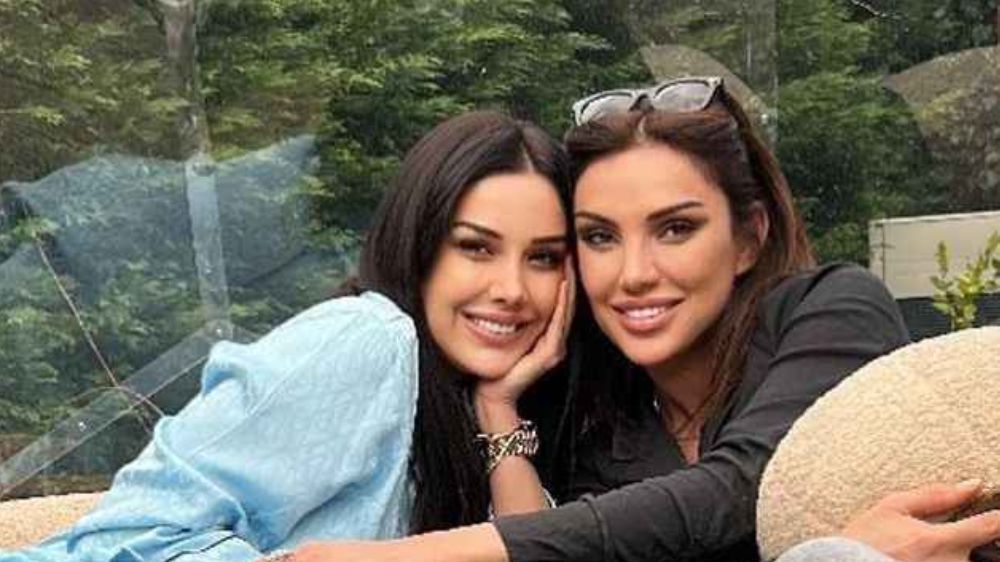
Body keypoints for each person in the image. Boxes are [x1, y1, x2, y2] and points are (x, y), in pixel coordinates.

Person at [287, 77, 911, 562]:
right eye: (599, 237)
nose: (633, 273)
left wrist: (413, 555)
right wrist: (499, 410)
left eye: (676, 229)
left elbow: (746, 487)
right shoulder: (599, 411)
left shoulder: (832, 312)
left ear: (749, 237)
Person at [0, 110, 575, 562]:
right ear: (419, 244)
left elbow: (528, 551)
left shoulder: (479, 399)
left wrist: (498, 412)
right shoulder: (367, 342)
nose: (512, 289)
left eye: (544, 258)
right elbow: (127, 535)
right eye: (476, 247)